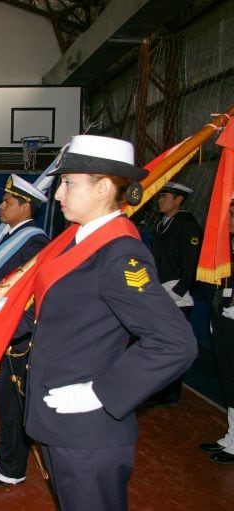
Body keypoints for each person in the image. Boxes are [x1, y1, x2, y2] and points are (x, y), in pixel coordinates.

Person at [15, 135, 197, 511]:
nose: (59, 194)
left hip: (88, 432)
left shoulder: (120, 255)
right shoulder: (79, 242)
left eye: (68, 183)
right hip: (60, 424)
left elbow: (173, 342)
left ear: (102, 188)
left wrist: (100, 393)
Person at [0, 174, 50, 488]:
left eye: (7, 201)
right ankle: (4, 454)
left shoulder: (34, 242)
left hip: (17, 336)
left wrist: (11, 328)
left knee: (13, 401)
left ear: (25, 206)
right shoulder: (10, 235)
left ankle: (12, 468)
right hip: (1, 329)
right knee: (3, 398)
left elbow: (34, 294)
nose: (0, 205)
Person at [149, 181, 203, 405]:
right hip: (161, 288)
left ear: (178, 199)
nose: (161, 200)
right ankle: (158, 389)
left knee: (173, 345)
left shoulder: (186, 224)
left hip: (176, 293)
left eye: (166, 196)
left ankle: (170, 393)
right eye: (160, 196)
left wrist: (180, 290)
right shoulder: (164, 224)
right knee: (158, 343)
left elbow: (191, 262)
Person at [199, 195, 234, 465]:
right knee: (228, 378)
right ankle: (231, 436)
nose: (229, 220)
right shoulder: (228, 246)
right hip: (224, 316)